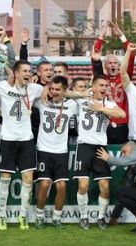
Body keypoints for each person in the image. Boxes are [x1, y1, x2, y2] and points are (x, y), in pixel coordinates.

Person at [0, 60, 45, 230]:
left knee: (28, 179)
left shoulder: (34, 89)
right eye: (25, 71)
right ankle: (2, 215)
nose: (28, 73)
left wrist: (83, 95)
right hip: (8, 139)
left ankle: (23, 215)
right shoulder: (3, 86)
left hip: (27, 139)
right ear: (16, 73)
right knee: (5, 178)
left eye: (30, 71)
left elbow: (60, 91)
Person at [73, 76, 126, 230]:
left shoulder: (108, 103)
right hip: (83, 147)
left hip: (100, 148)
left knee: (104, 186)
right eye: (101, 85)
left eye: (106, 86)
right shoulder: (82, 100)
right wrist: (82, 94)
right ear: (93, 86)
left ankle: (101, 217)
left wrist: (102, 109)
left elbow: (122, 114)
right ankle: (83, 217)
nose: (104, 88)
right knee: (83, 185)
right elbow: (66, 93)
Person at [34, 76, 78, 229]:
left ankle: (56, 218)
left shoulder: (72, 105)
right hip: (43, 149)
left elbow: (80, 98)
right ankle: (39, 216)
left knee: (61, 187)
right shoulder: (42, 101)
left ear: (65, 91)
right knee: (45, 184)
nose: (54, 92)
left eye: (58, 89)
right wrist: (45, 88)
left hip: (61, 151)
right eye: (52, 89)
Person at [91, 21, 135, 144]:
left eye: (115, 63)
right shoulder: (101, 79)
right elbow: (95, 57)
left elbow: (131, 56)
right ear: (105, 66)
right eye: (110, 63)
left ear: (119, 65)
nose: (113, 65)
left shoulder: (124, 77)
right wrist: (102, 33)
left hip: (122, 124)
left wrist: (122, 36)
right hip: (104, 123)